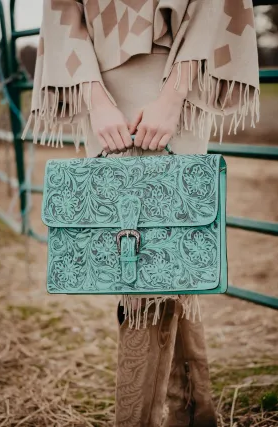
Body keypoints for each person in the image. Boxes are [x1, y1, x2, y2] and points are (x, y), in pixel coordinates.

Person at [22, 1, 260, 425]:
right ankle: (193, 412)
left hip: (177, 68)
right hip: (98, 78)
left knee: (167, 251)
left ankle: (151, 419)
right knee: (150, 259)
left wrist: (172, 96)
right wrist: (94, 100)